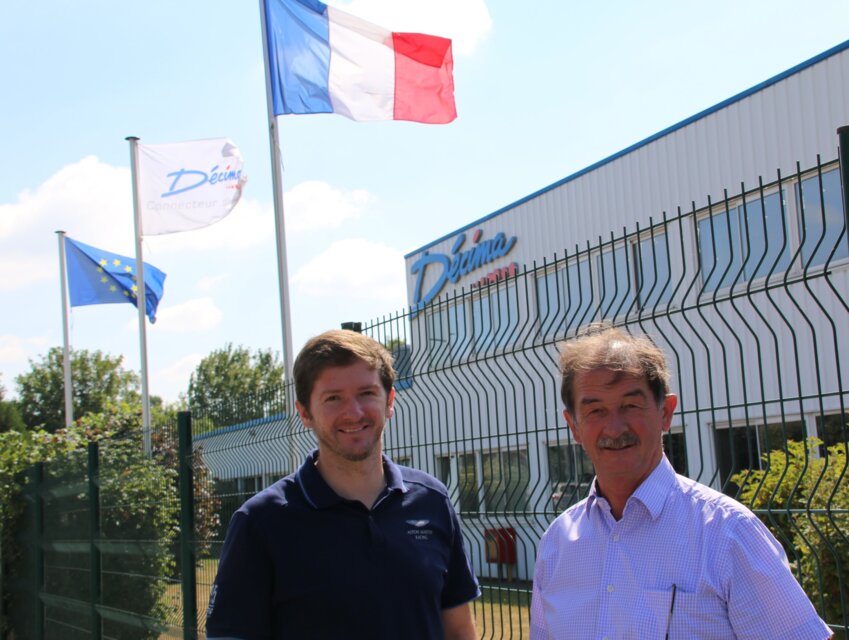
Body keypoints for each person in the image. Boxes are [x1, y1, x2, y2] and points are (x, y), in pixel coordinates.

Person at [530, 325, 832, 640]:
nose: (615, 428)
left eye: (631, 406)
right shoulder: (557, 544)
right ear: (574, 426)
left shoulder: (727, 533)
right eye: (595, 411)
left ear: (666, 412)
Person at [206, 329, 480, 640]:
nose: (354, 413)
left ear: (390, 401)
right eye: (333, 398)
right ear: (305, 412)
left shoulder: (432, 500)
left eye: (367, 393)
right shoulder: (261, 522)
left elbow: (458, 631)